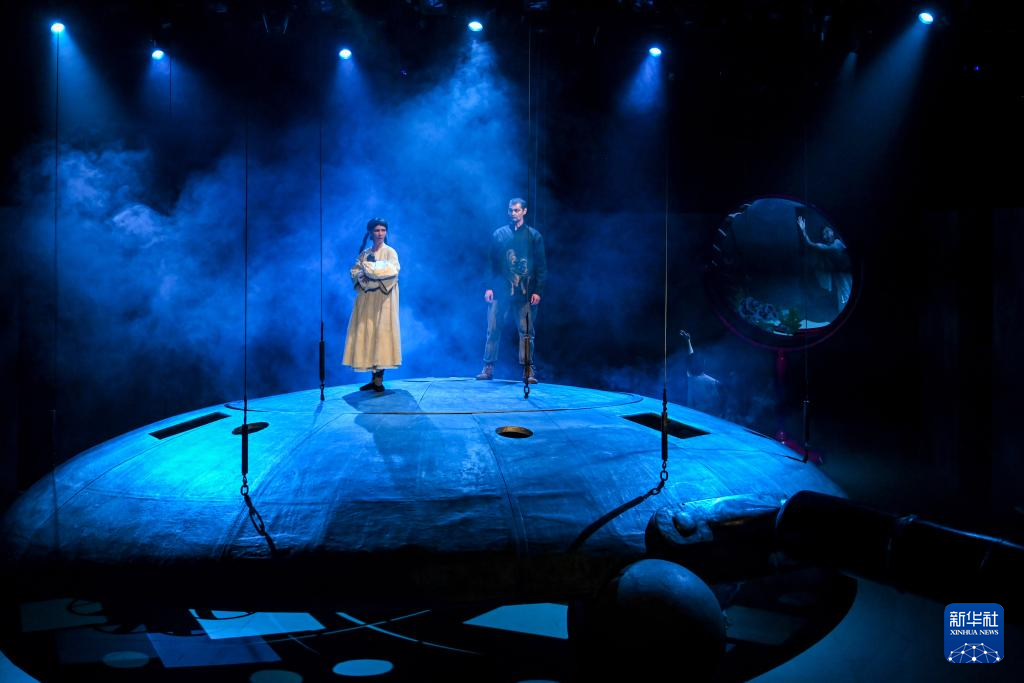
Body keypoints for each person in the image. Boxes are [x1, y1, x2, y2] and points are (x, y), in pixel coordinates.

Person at [476, 198, 547, 383]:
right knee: (493, 329)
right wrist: (488, 286)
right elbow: (490, 262)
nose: (513, 213)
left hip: (525, 293)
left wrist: (538, 290)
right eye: (510, 210)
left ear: (524, 211)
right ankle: (488, 367)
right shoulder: (499, 234)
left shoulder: (533, 236)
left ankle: (528, 369)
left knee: (526, 332)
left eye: (516, 210)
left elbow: (541, 266)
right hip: (501, 291)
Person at [343, 218, 401, 392]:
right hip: (367, 298)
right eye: (377, 230)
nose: (380, 233)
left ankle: (379, 380)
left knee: (381, 335)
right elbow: (356, 272)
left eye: (383, 230)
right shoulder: (365, 253)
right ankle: (373, 378)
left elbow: (392, 272)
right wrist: (367, 275)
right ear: (370, 233)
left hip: (383, 299)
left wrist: (370, 271)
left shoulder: (390, 252)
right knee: (368, 333)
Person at [797, 215, 853, 315]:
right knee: (844, 292)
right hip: (839, 275)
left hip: (848, 271)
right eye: (824, 233)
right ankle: (845, 312)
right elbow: (810, 243)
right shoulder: (824, 247)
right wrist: (803, 230)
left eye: (828, 231)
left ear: (832, 232)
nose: (826, 235)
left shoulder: (839, 242)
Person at [680, 330, 723, 416]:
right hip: (691, 416)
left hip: (704, 418)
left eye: (693, 363)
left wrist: (697, 410)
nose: (690, 365)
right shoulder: (691, 376)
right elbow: (691, 356)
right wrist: (688, 341)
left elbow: (716, 403)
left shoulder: (712, 382)